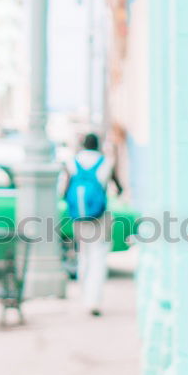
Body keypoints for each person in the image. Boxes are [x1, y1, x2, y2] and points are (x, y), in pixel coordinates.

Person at [63, 132, 124, 316]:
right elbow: (118, 188)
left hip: (79, 218)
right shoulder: (105, 162)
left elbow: (64, 190)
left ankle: (84, 295)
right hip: (99, 218)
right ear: (97, 145)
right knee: (99, 256)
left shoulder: (72, 162)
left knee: (84, 255)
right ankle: (93, 301)